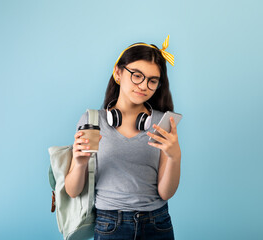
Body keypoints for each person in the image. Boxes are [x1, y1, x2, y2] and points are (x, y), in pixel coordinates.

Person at [65, 35, 181, 240]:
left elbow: (166, 193)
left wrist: (174, 157)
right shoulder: (92, 120)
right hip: (110, 225)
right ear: (118, 73)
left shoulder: (163, 123)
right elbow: (73, 191)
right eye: (137, 75)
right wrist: (80, 163)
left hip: (157, 223)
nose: (144, 85)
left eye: (152, 81)